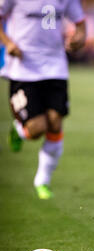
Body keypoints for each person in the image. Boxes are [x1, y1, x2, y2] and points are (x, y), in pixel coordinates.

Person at [0, 0, 86, 199]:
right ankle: (20, 130)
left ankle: (42, 181)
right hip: (23, 69)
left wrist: (79, 39)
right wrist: (8, 43)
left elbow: (80, 24)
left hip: (56, 68)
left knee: (55, 124)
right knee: (37, 129)